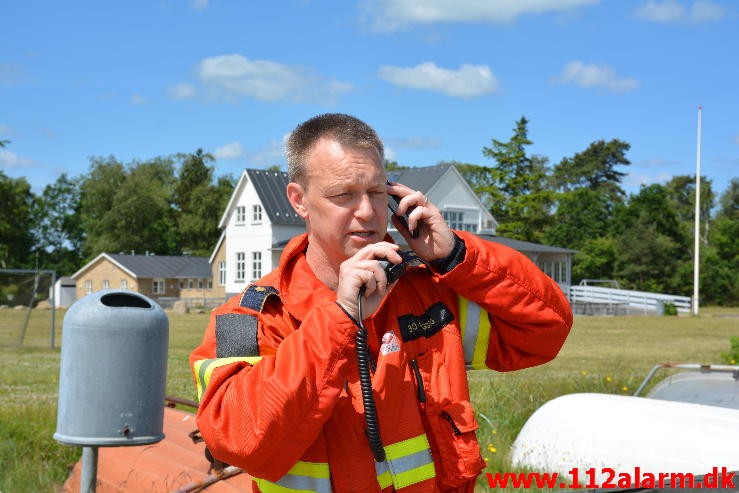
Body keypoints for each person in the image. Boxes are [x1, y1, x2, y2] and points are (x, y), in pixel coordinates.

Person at [190, 113, 573, 492]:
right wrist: (340, 319)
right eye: (343, 195)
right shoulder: (252, 316)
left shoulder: (427, 293)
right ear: (299, 200)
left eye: (376, 192)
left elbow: (545, 331)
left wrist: (456, 256)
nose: (367, 211)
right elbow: (236, 440)